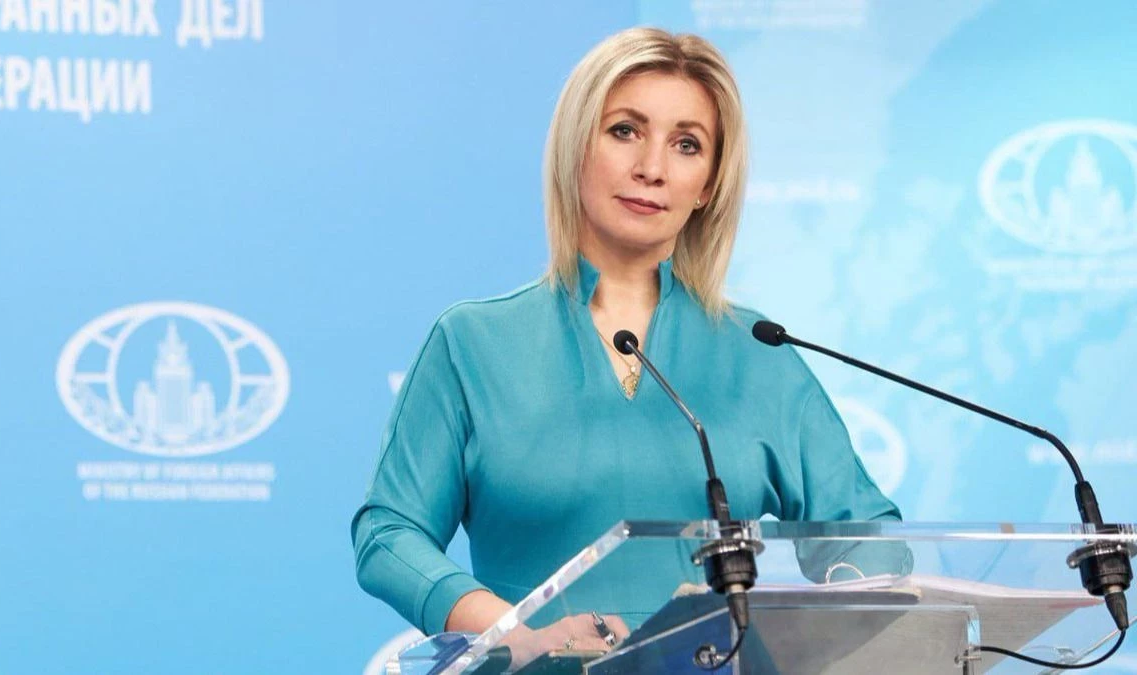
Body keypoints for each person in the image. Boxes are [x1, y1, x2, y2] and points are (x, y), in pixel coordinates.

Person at [351, 26, 903, 663]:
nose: (652, 168)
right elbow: (389, 533)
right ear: (576, 148)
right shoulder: (472, 343)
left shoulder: (758, 353)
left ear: (708, 185)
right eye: (624, 131)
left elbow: (869, 538)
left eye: (686, 145)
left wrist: (827, 618)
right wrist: (513, 631)